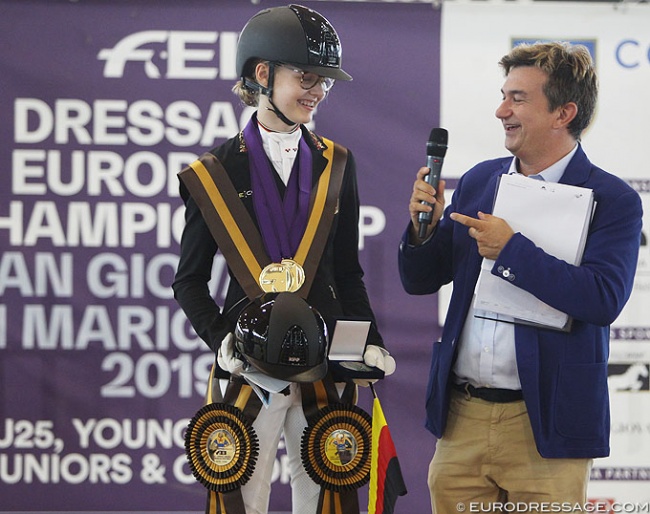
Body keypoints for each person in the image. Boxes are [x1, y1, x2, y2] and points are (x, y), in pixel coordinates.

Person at [398, 41, 642, 512]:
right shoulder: (478, 180)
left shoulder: (613, 199)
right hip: (462, 419)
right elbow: (420, 280)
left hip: (546, 424)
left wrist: (511, 250)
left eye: (518, 99)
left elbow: (602, 299)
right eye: (503, 95)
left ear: (563, 112)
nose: (501, 110)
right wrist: (420, 228)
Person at [173, 5, 395, 514]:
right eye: (307, 77)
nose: (317, 91)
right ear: (261, 74)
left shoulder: (339, 162)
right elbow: (188, 282)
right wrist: (219, 340)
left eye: (325, 82)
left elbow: (348, 272)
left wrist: (370, 341)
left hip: (325, 365)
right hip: (246, 363)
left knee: (324, 494)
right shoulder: (213, 172)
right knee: (240, 498)